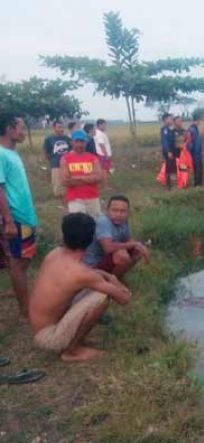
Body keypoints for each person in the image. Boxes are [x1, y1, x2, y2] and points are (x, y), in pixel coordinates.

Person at [29, 213, 131, 363]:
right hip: (49, 338)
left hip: (38, 328)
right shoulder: (81, 273)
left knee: (95, 287)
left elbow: (81, 275)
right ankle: (72, 351)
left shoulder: (54, 254)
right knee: (100, 297)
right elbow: (124, 298)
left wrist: (104, 275)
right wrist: (114, 279)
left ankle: (71, 341)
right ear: (91, 240)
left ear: (64, 236)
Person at [0, 113, 38, 320]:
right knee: (18, 263)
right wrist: (8, 221)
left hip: (25, 216)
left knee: (23, 259)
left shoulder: (11, 153)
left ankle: (24, 303)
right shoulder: (1, 154)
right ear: (9, 129)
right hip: (16, 219)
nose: (24, 132)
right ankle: (25, 312)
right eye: (21, 128)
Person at [83, 195, 149, 278]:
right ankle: (109, 281)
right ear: (107, 210)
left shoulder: (124, 222)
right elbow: (108, 248)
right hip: (93, 265)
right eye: (114, 210)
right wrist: (135, 244)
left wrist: (139, 247)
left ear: (128, 213)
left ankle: (115, 278)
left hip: (106, 260)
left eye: (123, 211)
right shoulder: (103, 222)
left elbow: (128, 240)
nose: (118, 214)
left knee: (137, 250)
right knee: (121, 255)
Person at [60, 130, 103, 219]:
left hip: (93, 198)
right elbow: (65, 181)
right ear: (72, 142)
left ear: (86, 142)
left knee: (94, 224)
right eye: (77, 141)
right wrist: (89, 179)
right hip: (75, 199)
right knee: (78, 226)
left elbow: (98, 177)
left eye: (82, 142)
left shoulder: (93, 158)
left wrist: (76, 178)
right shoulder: (65, 159)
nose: (79, 145)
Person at [43, 120, 71, 198]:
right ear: (54, 128)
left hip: (67, 164)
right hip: (55, 164)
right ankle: (59, 199)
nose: (61, 129)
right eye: (59, 127)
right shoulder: (49, 139)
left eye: (62, 127)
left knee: (67, 183)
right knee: (57, 184)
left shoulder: (67, 138)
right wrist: (51, 160)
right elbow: (46, 152)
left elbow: (71, 150)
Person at [160, 113, 177, 190]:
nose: (171, 120)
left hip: (172, 151)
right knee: (170, 168)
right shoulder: (165, 130)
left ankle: (172, 184)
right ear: (165, 120)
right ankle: (170, 186)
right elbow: (165, 142)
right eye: (170, 119)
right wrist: (168, 152)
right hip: (169, 152)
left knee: (173, 167)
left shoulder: (170, 129)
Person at [185, 115, 203, 187]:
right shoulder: (192, 130)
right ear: (195, 121)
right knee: (197, 168)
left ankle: (198, 183)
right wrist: (190, 153)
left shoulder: (194, 129)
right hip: (195, 153)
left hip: (197, 152)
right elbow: (189, 143)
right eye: (198, 121)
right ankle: (197, 184)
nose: (199, 122)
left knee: (198, 168)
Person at [95, 119, 112, 188]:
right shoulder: (98, 133)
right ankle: (105, 186)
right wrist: (106, 154)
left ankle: (103, 184)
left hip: (104, 154)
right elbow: (101, 144)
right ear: (99, 125)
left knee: (106, 170)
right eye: (104, 125)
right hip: (103, 155)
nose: (105, 127)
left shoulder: (101, 133)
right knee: (104, 170)